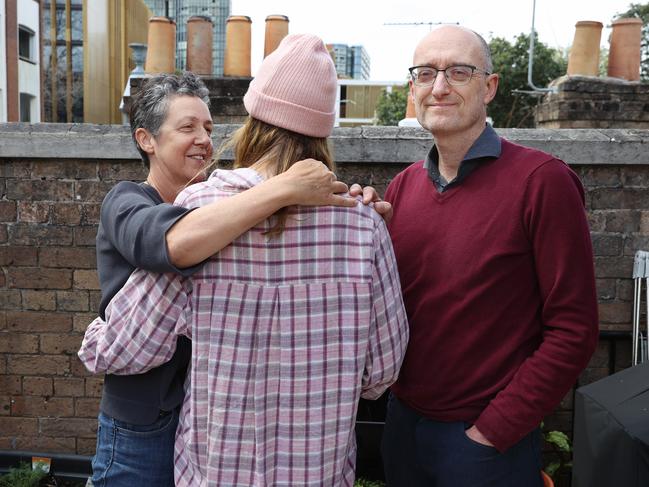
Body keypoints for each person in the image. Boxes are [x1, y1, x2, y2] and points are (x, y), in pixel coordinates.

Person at [80, 34, 409, 486]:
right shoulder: (362, 225)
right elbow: (382, 368)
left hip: (218, 469)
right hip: (318, 470)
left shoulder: (206, 209)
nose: (203, 140)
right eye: (187, 128)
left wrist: (98, 336)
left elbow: (126, 347)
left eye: (209, 128)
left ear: (254, 121)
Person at [380, 25, 599, 487]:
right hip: (403, 432)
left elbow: (574, 329)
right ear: (413, 88)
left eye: (458, 72)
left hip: (484, 447)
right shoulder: (402, 188)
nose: (439, 87)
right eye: (425, 73)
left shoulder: (542, 181)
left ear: (489, 87)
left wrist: (491, 432)